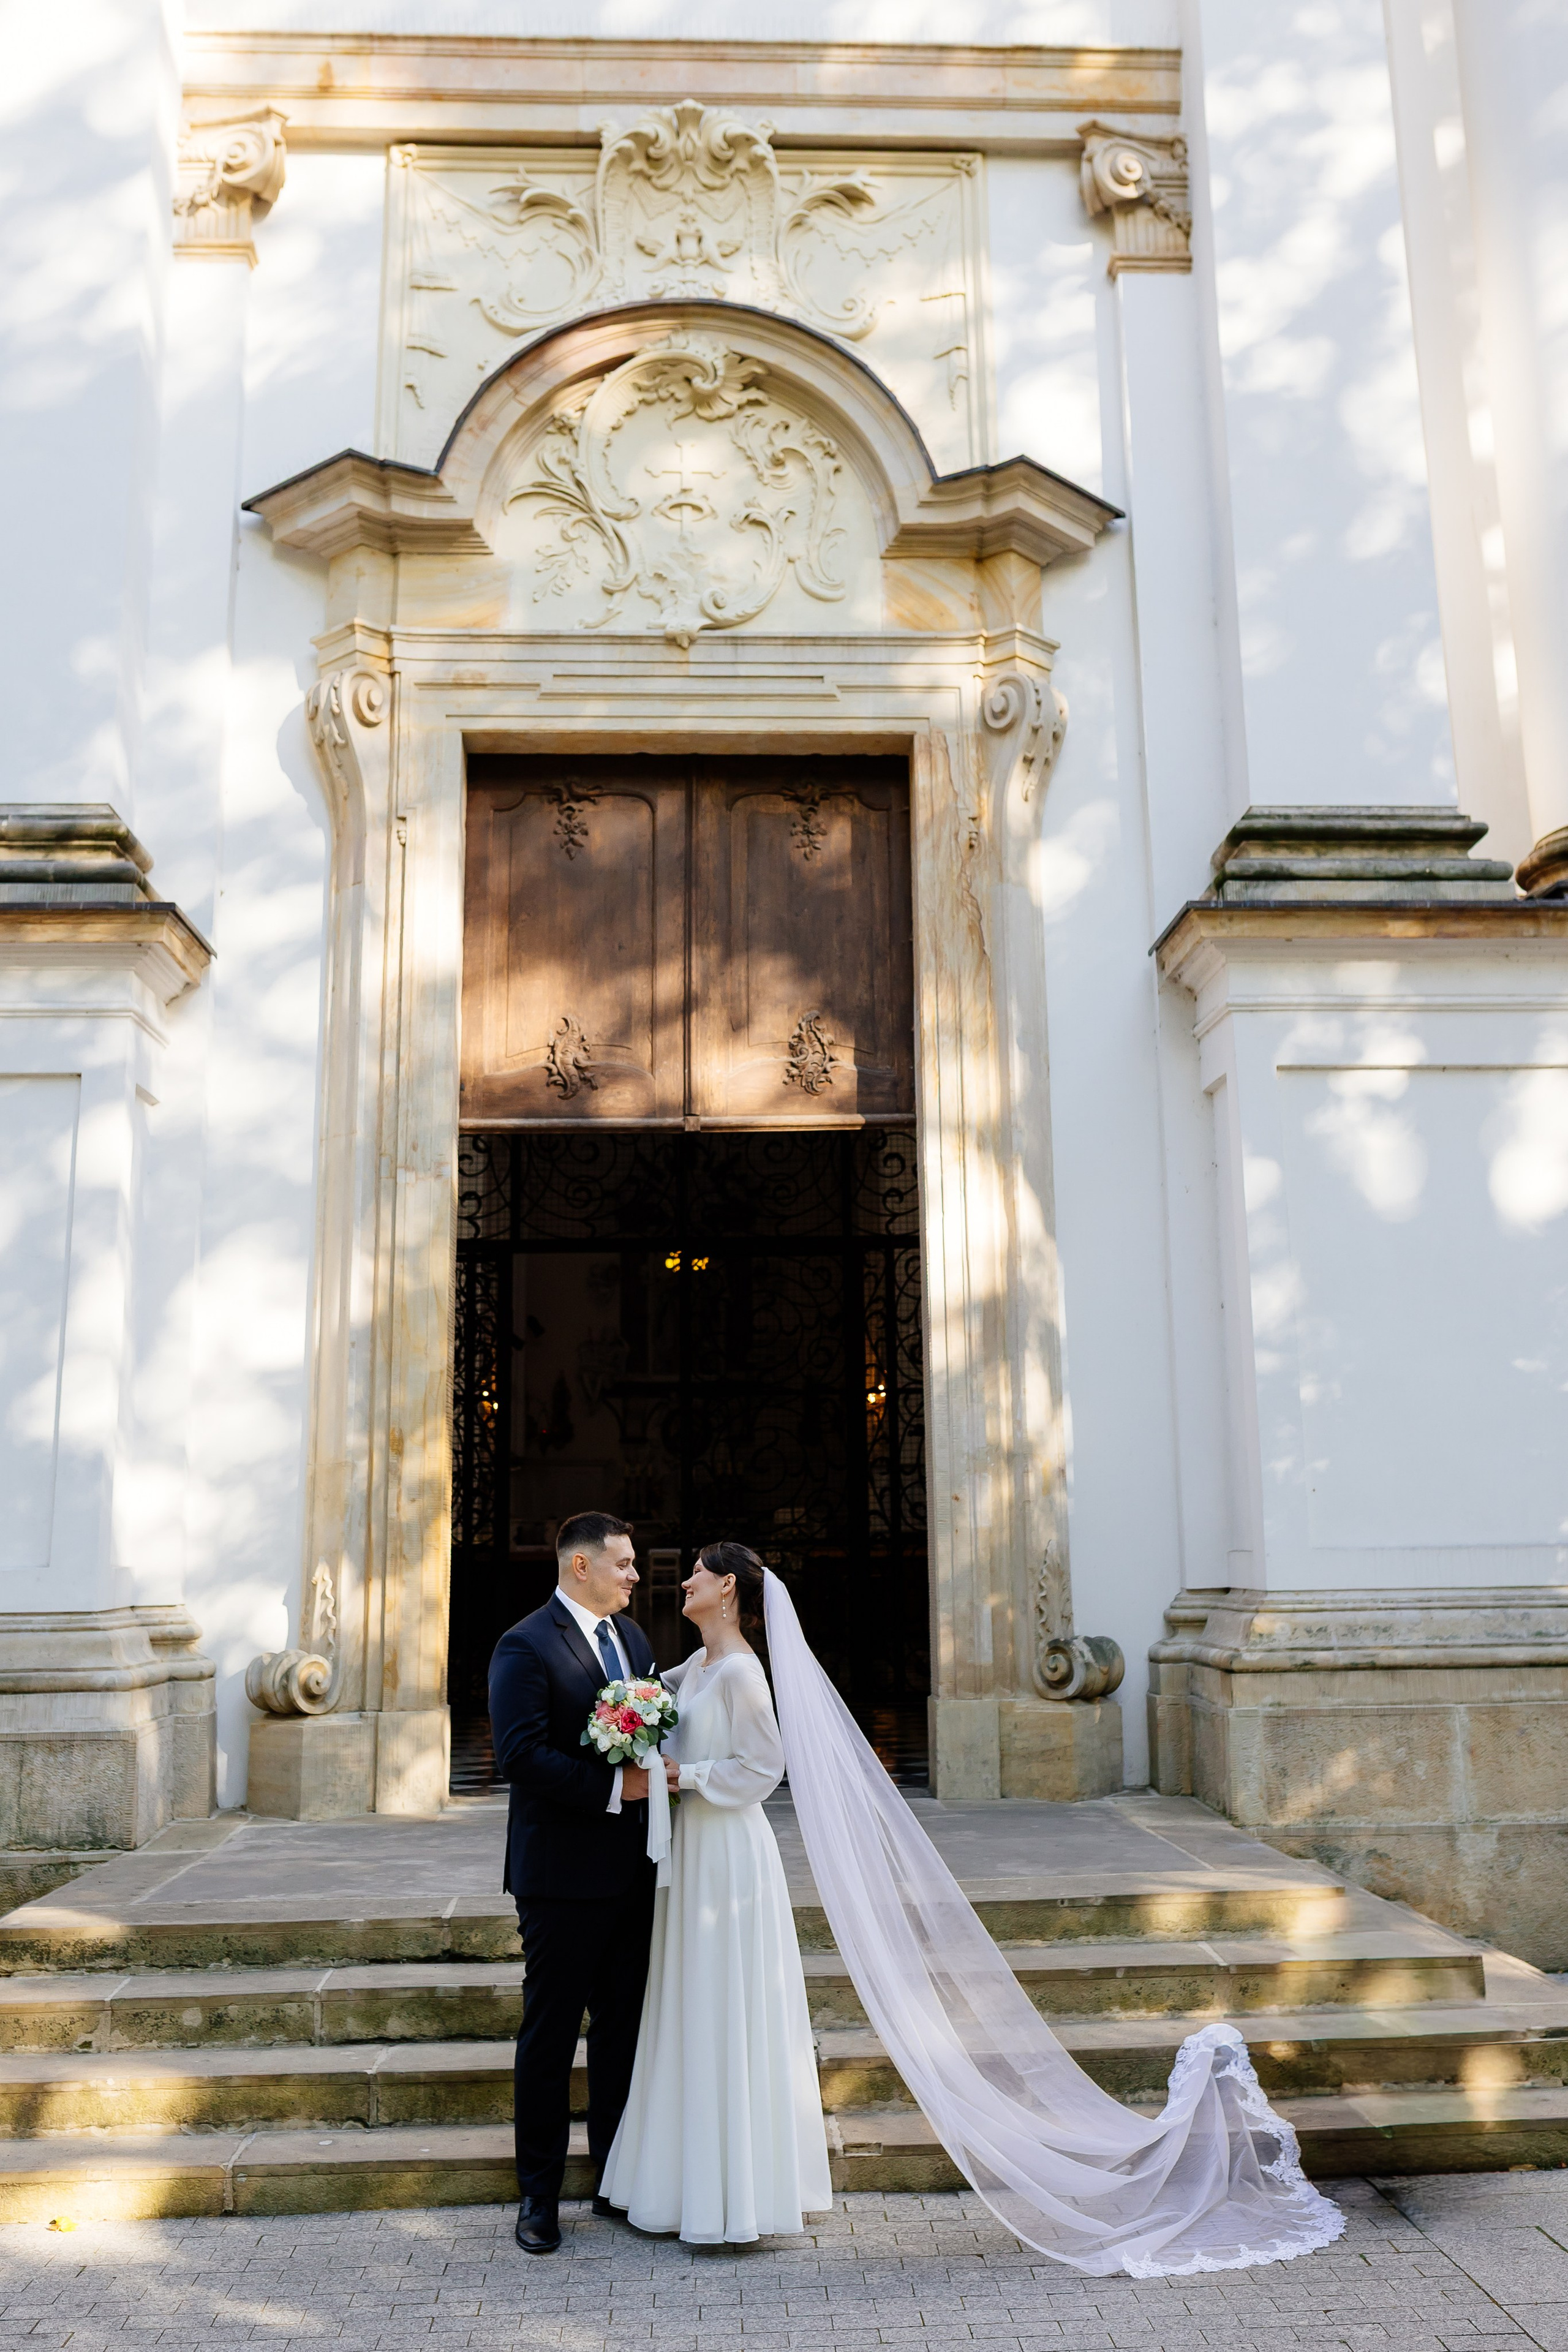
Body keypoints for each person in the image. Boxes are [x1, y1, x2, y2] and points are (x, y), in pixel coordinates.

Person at [598, 1542, 831, 2244]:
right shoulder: (692, 1667)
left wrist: (683, 1777)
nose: (685, 1580)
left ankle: (735, 2197)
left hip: (728, 1852)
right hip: (690, 1851)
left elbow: (764, 1768)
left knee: (723, 2001)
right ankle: (682, 2183)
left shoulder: (741, 1673)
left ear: (727, 1587)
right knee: (689, 2001)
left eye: (698, 1571)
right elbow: (639, 1710)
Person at [488, 1512, 679, 2255]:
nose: (635, 1574)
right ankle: (538, 2196)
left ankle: (613, 2179)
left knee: (623, 2033)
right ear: (580, 1568)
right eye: (624, 1564)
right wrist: (614, 1790)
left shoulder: (632, 1641)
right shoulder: (525, 1644)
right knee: (551, 2035)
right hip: (561, 1878)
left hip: (632, 1871)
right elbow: (520, 1756)